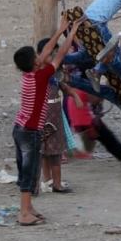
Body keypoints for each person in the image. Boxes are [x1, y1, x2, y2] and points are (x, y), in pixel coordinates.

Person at [12, 15, 79, 226]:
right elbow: (58, 54)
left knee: (27, 169)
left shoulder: (29, 76)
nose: (41, 56)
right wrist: (71, 33)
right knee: (30, 172)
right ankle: (24, 213)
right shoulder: (42, 76)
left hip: (19, 128)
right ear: (35, 62)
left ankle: (29, 207)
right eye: (37, 56)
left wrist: (60, 30)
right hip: (30, 131)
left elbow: (49, 51)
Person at [36, 37, 82, 193]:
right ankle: (49, 180)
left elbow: (64, 87)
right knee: (44, 151)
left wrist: (75, 97)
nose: (53, 57)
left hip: (55, 116)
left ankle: (55, 182)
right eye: (50, 54)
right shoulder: (39, 73)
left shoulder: (54, 74)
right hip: (45, 117)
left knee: (55, 152)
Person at [67, 87, 121, 172]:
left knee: (102, 140)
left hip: (77, 118)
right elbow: (94, 99)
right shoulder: (87, 83)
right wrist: (103, 94)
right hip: (86, 118)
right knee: (109, 139)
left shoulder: (77, 82)